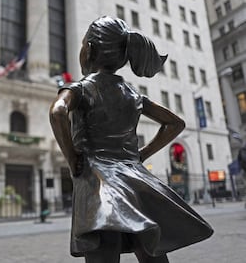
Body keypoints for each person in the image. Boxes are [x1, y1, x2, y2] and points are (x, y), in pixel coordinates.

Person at [49, 16, 213, 263]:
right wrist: (141, 155)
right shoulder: (132, 94)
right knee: (151, 252)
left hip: (98, 183)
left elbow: (57, 112)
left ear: (89, 50)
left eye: (84, 44)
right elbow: (175, 123)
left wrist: (72, 159)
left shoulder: (80, 88)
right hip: (135, 181)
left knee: (104, 250)